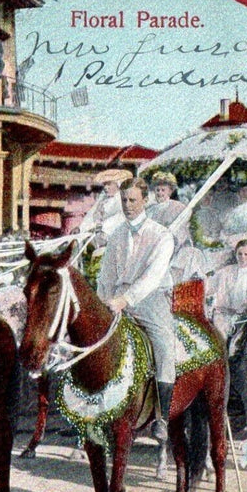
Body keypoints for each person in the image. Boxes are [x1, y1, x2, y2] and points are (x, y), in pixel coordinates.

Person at [96, 177, 177, 440]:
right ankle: (95, 411)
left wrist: (126, 300)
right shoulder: (118, 234)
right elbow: (106, 274)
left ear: (145, 200)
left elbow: (153, 277)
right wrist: (103, 301)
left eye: (132, 200)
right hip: (118, 299)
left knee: (164, 345)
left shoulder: (161, 235)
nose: (128, 205)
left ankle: (162, 417)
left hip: (150, 299)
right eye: (123, 200)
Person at [206, 239, 247, 356]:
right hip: (222, 315)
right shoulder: (225, 271)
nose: (242, 257)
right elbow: (207, 287)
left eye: (246, 254)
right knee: (220, 340)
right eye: (240, 254)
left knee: (246, 345)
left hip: (243, 318)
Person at [78, 168, 132, 247]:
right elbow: (91, 215)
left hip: (115, 237)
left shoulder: (122, 199)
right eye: (104, 184)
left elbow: (121, 217)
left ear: (117, 184)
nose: (106, 187)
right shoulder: (102, 200)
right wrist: (81, 228)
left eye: (109, 184)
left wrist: (102, 226)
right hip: (97, 235)